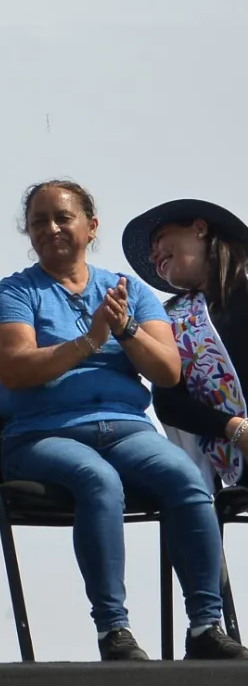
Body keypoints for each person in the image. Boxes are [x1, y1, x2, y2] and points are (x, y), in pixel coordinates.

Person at [0, 180, 246, 661]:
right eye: (39, 221)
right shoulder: (15, 293)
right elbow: (15, 370)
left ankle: (206, 625)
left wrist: (124, 329)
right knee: (98, 481)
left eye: (63, 217)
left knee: (185, 479)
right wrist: (88, 340)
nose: (52, 228)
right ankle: (114, 629)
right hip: (43, 435)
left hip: (125, 429)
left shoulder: (130, 292)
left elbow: (166, 370)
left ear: (90, 226)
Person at [123, 198, 248, 491]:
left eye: (159, 239)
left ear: (199, 228)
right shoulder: (171, 322)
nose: (154, 256)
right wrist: (233, 428)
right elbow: (169, 403)